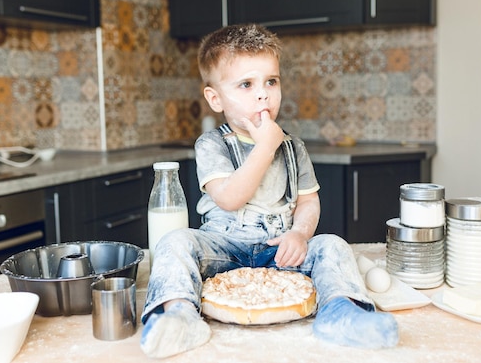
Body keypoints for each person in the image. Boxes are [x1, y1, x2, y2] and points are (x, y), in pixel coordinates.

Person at [140, 24, 399, 359]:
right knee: (174, 243)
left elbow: (308, 200)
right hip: (224, 249)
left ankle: (341, 313)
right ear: (215, 98)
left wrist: (300, 234)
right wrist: (265, 146)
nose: (263, 94)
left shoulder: (293, 147)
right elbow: (230, 198)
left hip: (278, 252)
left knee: (333, 246)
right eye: (246, 84)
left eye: (271, 82)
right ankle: (178, 315)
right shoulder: (211, 144)